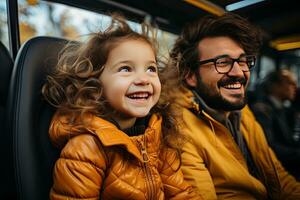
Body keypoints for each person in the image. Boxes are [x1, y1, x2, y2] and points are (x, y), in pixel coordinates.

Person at [42, 15, 200, 200]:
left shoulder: (157, 137)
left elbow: (181, 193)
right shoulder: (87, 147)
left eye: (151, 69)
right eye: (126, 69)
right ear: (95, 85)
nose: (143, 79)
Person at [162, 13, 300, 199]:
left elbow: (278, 178)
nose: (239, 72)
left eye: (242, 61)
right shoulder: (178, 127)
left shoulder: (242, 111)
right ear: (191, 76)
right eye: (223, 62)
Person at [251, 69, 300, 179]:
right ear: (275, 86)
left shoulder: (284, 110)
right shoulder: (263, 110)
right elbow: (269, 147)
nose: (295, 87)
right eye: (290, 83)